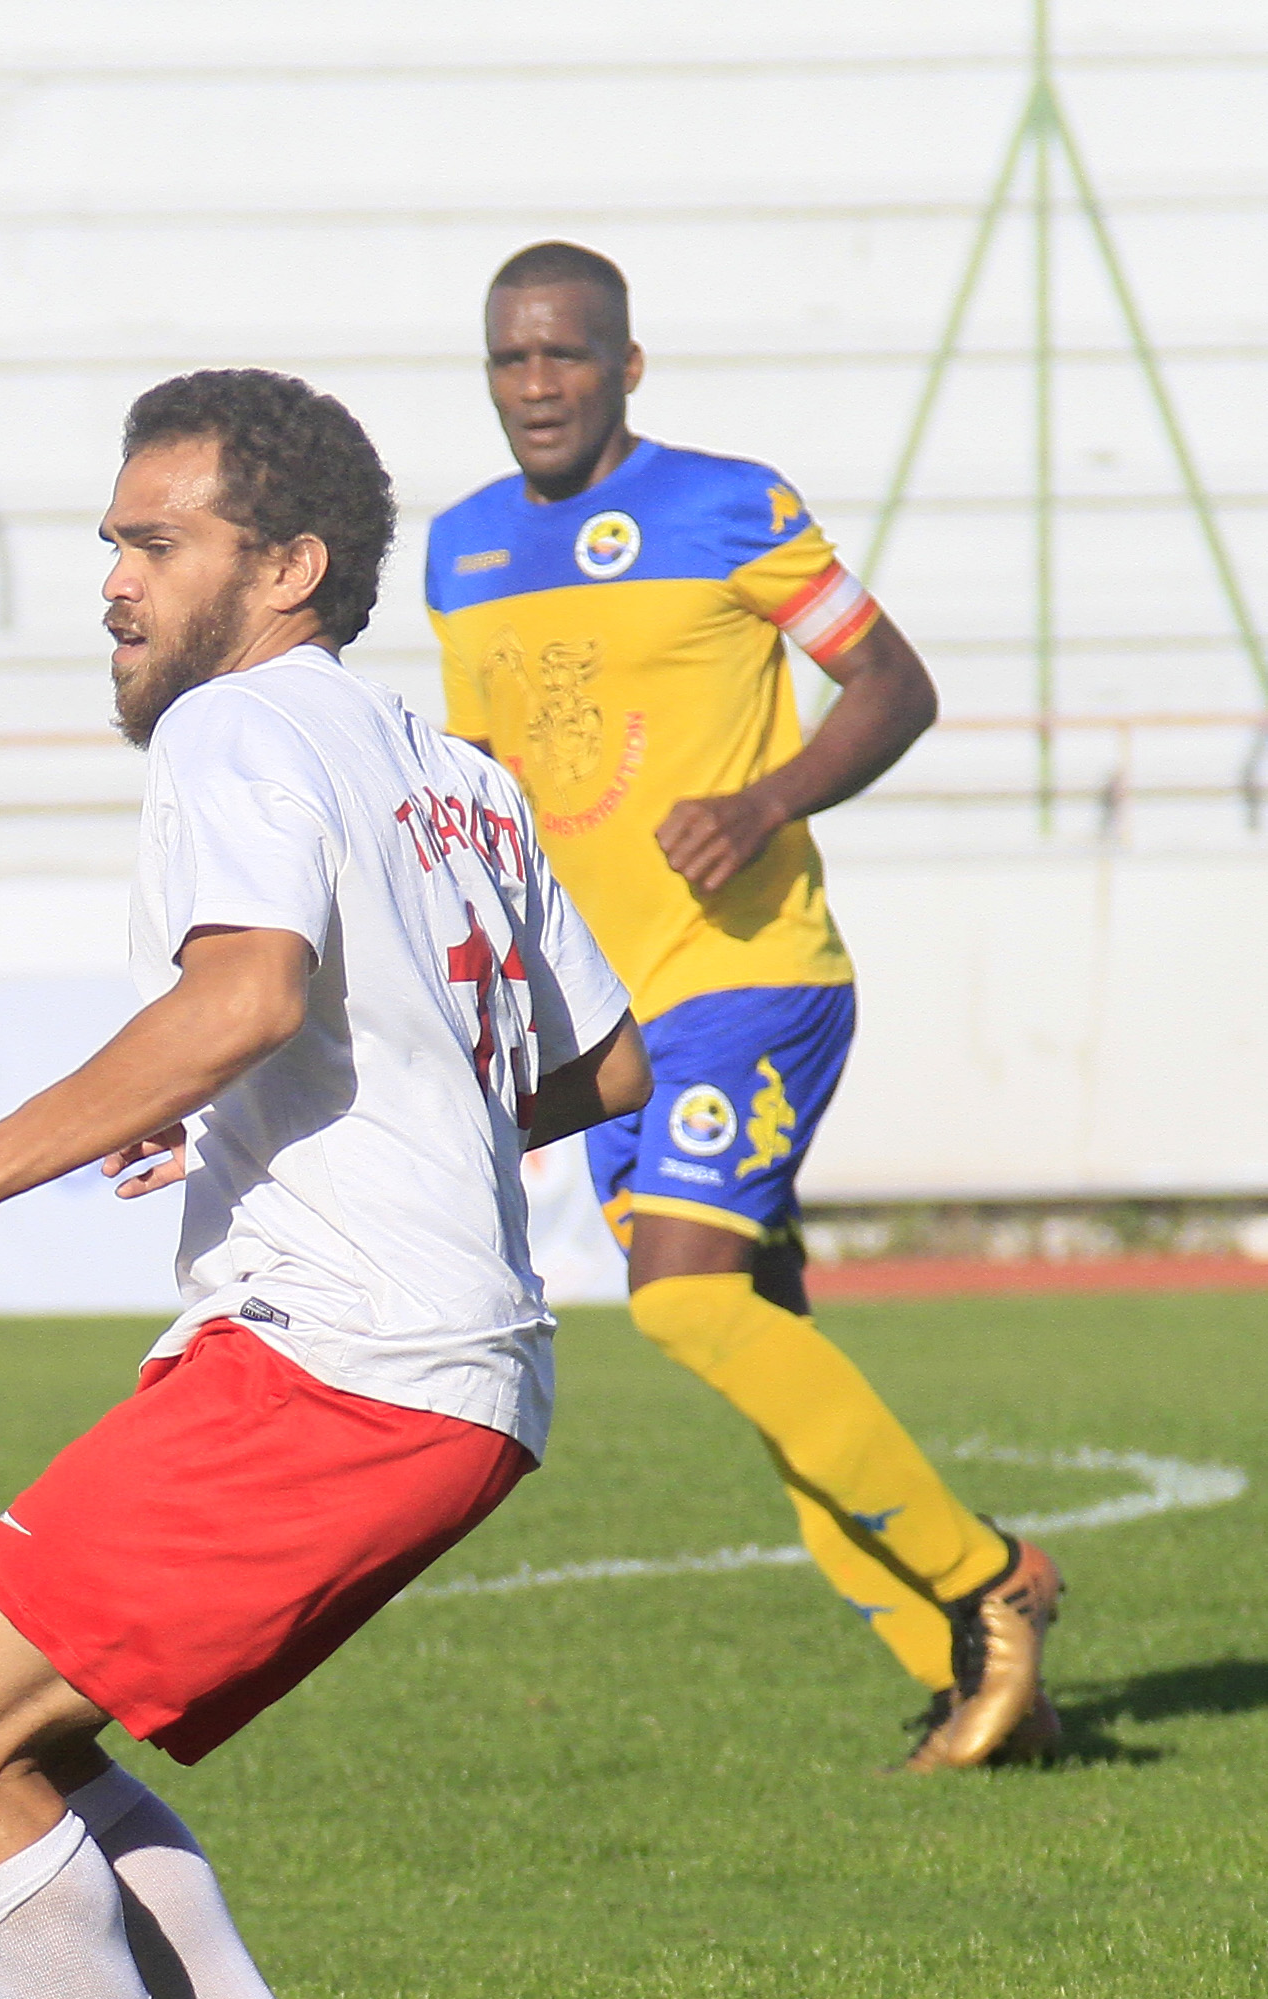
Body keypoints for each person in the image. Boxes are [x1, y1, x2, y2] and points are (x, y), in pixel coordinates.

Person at [0, 369, 649, 1999]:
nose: (111, 579)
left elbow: (247, 987)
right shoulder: (450, 771)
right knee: (29, 1750)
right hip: (449, 1366)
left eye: (153, 541)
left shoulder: (233, 727)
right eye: (110, 539)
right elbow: (603, 1064)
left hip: (340, 1356)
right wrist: (303, 1111)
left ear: (287, 567)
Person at [428, 241, 1059, 1772]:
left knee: (682, 1295)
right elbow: (485, 795)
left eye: (564, 353)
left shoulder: (729, 507)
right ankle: (967, 1679)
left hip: (751, 973)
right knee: (751, 1326)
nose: (535, 384)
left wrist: (765, 799)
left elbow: (892, 684)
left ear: (625, 366)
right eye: (510, 357)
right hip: (607, 1025)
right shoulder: (459, 550)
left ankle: (990, 1580)